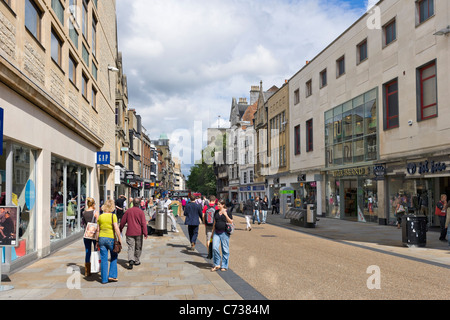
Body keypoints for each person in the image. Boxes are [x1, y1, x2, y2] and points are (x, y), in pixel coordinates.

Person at [96, 199, 122, 284]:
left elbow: (98, 230)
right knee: (114, 256)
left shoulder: (100, 216)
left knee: (104, 259)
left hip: (101, 239)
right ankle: (112, 275)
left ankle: (104, 279)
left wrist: (97, 240)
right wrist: (120, 238)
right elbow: (116, 228)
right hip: (111, 238)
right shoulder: (113, 216)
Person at [120, 197, 148, 270]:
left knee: (130, 247)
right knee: (138, 247)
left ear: (133, 203)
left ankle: (131, 260)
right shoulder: (141, 212)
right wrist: (145, 233)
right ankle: (137, 260)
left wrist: (120, 229)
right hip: (139, 232)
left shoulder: (128, 211)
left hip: (130, 232)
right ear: (139, 204)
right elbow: (143, 223)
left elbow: (123, 221)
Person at [211, 199, 233, 272]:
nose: (217, 205)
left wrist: (226, 215)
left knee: (225, 250)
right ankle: (217, 264)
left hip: (224, 233)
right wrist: (212, 232)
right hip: (216, 232)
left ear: (223, 205)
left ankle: (224, 265)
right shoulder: (216, 212)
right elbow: (214, 222)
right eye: (217, 204)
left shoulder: (228, 211)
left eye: (219, 204)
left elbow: (231, 221)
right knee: (214, 248)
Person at [81, 197, 99, 276]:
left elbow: (83, 223)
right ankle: (95, 267)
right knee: (96, 250)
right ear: (93, 204)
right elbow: (99, 223)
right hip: (94, 234)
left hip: (87, 234)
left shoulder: (84, 212)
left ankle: (87, 271)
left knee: (87, 252)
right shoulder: (95, 212)